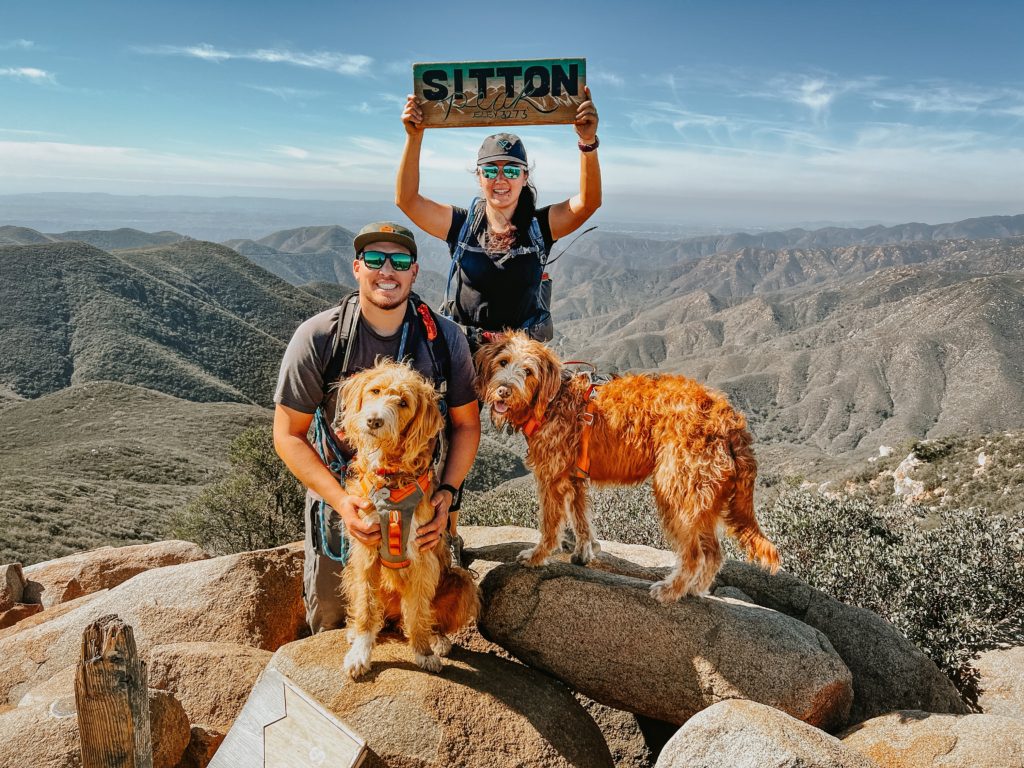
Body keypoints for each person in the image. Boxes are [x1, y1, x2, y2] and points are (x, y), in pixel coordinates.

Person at [273, 222, 481, 634]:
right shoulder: (319, 337)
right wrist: (341, 504)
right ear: (356, 267)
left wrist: (448, 494)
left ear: (414, 273)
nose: (387, 270)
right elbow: (288, 435)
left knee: (429, 603)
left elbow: (466, 425)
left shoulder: (444, 339)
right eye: (375, 259)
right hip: (342, 494)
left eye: (400, 260)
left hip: (416, 491)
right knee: (335, 619)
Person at [396, 87, 602, 348]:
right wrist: (414, 137)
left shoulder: (539, 226)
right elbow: (407, 200)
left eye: (512, 171)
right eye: (491, 170)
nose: (501, 179)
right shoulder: (462, 225)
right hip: (466, 353)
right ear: (479, 177)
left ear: (525, 177)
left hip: (521, 357)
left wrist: (588, 143)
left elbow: (588, 202)